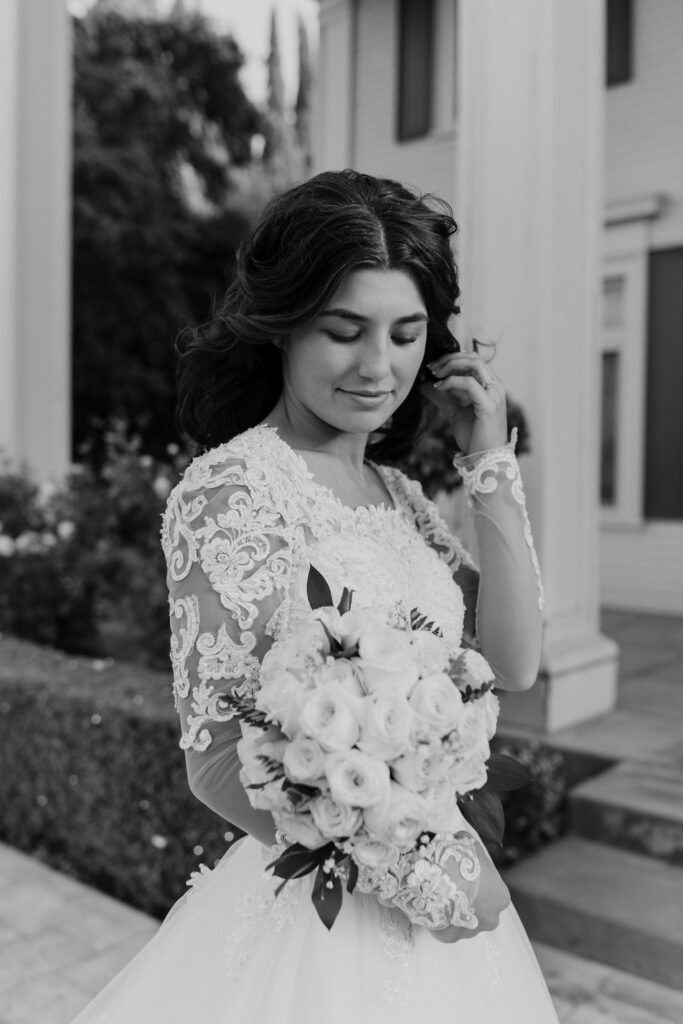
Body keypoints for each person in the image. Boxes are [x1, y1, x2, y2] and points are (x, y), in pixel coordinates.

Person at [71, 169, 558, 1023]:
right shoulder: (232, 491)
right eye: (344, 330)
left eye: (407, 334)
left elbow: (513, 662)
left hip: (447, 908)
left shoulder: (402, 499)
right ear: (282, 326)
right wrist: (413, 862)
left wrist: (489, 462)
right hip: (325, 925)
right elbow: (218, 760)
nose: (380, 367)